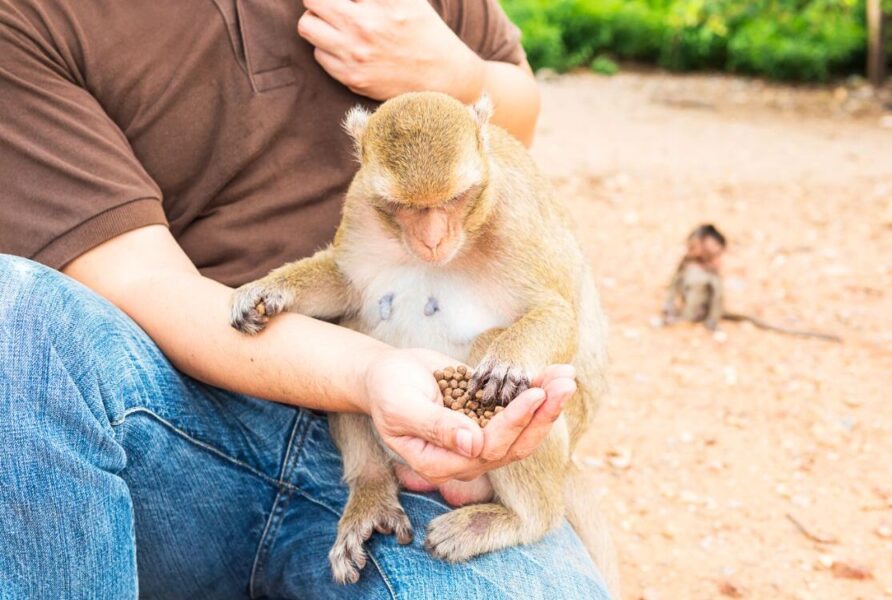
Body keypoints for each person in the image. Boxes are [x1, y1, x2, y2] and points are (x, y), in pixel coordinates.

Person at [0, 1, 610, 598]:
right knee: (16, 304)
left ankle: (512, 514)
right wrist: (358, 367)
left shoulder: (490, 209)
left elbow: (517, 122)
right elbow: (139, 280)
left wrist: (455, 73)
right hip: (180, 408)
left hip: (439, 415)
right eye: (403, 209)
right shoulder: (29, 18)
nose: (429, 237)